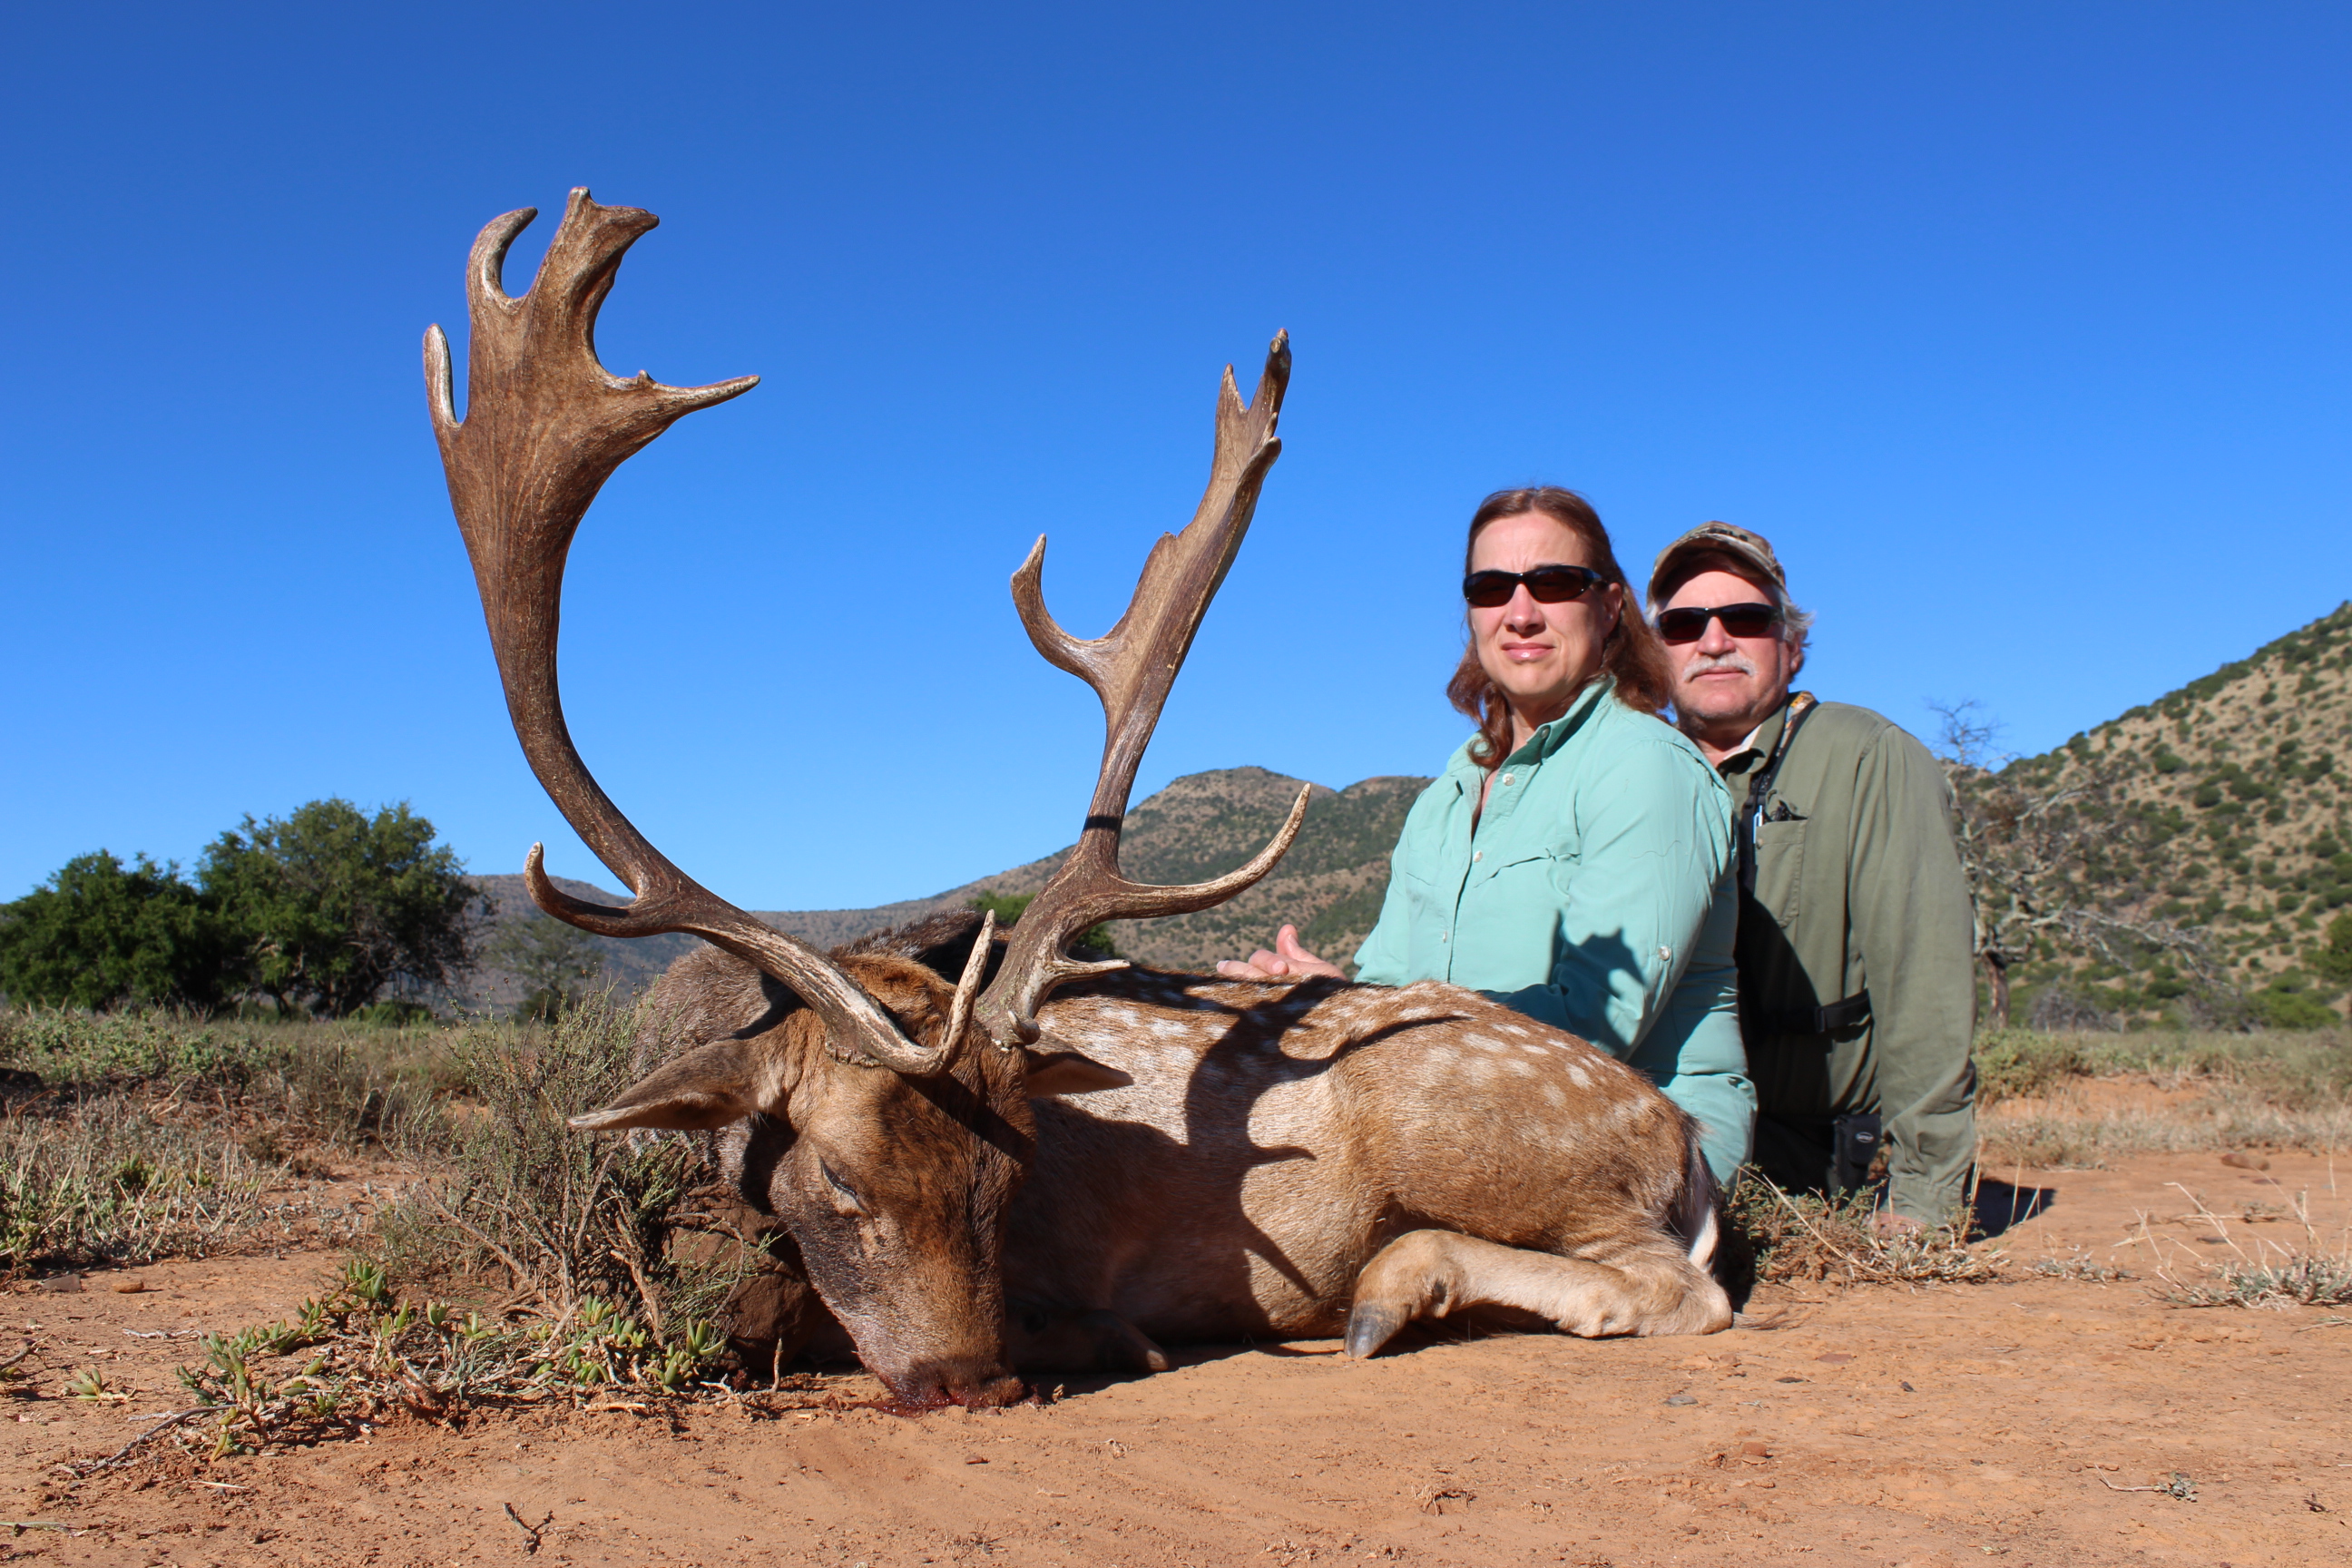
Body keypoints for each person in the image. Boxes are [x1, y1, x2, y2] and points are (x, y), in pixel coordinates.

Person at [1218, 487, 1753, 1185]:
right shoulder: (1446, 797)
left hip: (1633, 1134)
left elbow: (1595, 1027)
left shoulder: (1644, 766)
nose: (1521, 613)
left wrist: (1372, 1019)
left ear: (1611, 605)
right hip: (1454, 1114)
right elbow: (1387, 986)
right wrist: (1331, 997)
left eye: (1555, 583)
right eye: (1492, 587)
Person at [1647, 522, 1976, 1235]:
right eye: (1682, 624)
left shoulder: (1867, 757)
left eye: (1746, 619)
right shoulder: (1632, 772)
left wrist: (1925, 1197)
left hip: (1798, 1159)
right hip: (1642, 1135)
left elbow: (1925, 979)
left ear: (1791, 647)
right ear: (1654, 653)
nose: (1713, 641)